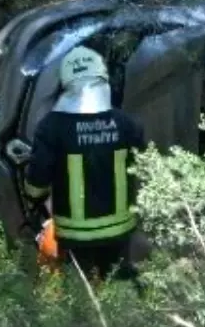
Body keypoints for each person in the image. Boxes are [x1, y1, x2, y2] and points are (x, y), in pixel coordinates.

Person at [24, 45, 149, 287]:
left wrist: (35, 199)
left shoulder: (52, 126)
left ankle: (88, 321)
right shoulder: (127, 124)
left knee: (81, 292)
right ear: (103, 79)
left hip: (75, 235)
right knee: (116, 285)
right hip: (120, 231)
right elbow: (144, 167)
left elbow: (36, 184)